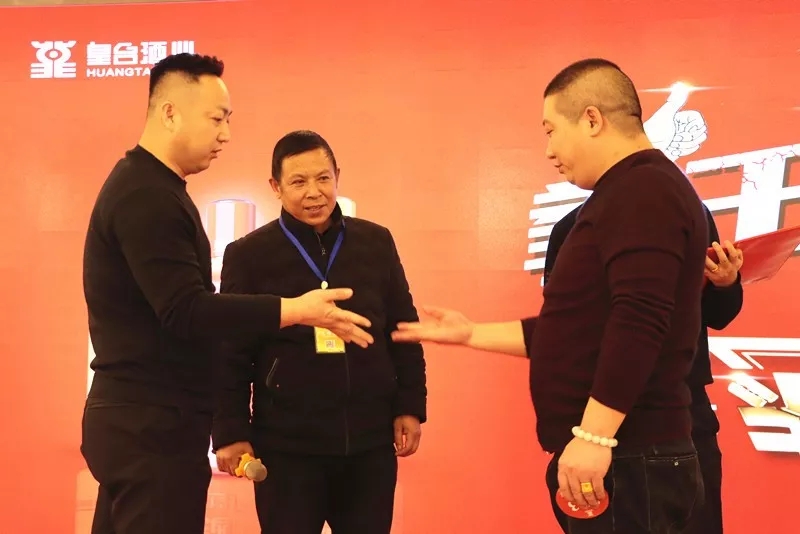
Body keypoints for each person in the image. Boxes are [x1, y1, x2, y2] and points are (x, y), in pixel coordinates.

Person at [392, 58, 713, 533]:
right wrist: (470, 333)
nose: (548, 150)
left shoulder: (644, 190)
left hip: (631, 457)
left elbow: (640, 319)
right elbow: (577, 331)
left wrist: (595, 437)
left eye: (551, 130)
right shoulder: (627, 191)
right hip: (626, 457)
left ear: (591, 119)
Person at [81, 55, 373, 534]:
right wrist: (296, 310)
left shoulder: (154, 188)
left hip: (146, 421)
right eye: (216, 119)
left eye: (228, 121)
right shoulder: (146, 196)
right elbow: (186, 310)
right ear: (170, 113)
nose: (226, 135)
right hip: (151, 424)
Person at [212, 130, 427, 534]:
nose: (314, 192)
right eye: (298, 181)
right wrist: (230, 431)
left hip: (368, 446)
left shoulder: (375, 242)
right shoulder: (248, 255)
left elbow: (403, 329)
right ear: (275, 187)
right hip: (286, 451)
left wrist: (410, 406)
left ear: (337, 177)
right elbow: (230, 353)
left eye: (323, 178)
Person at [543, 203, 743, 533]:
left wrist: (726, 283)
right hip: (602, 413)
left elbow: (718, 315)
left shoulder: (690, 213)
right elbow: (560, 330)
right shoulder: (572, 226)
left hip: (684, 411)